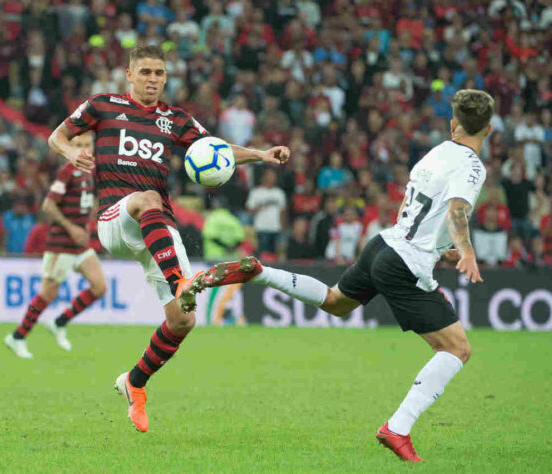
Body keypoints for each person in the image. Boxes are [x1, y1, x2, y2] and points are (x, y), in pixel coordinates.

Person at [207, 89, 493, 462]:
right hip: (405, 263)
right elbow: (456, 210)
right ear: (487, 130)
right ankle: (398, 428)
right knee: (457, 348)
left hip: (383, 245)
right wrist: (467, 251)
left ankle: (261, 273)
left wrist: (442, 247)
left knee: (334, 302)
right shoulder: (472, 166)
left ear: (453, 124)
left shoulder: (436, 152)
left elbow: (419, 209)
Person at [46, 45, 289, 433]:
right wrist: (71, 153)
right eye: (145, 72)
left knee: (183, 319)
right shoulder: (102, 105)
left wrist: (261, 155)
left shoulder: (175, 119)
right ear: (128, 74)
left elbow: (218, 152)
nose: (153, 79)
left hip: (157, 225)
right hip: (116, 217)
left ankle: (134, 383)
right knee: (148, 199)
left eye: (159, 73)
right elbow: (57, 136)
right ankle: (182, 281)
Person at [4, 133, 107, 359]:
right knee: (47, 294)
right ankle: (17, 337)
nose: (83, 149)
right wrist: (72, 228)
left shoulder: (90, 172)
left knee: (99, 287)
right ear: (71, 148)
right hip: (61, 243)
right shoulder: (67, 171)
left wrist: (88, 223)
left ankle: (59, 323)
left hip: (80, 245)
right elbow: (48, 205)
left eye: (87, 144)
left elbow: (85, 203)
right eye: (78, 145)